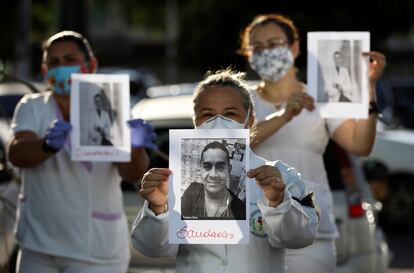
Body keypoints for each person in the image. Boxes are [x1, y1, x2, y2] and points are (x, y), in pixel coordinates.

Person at [131, 69, 319, 273]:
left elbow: (301, 237)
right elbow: (151, 247)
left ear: (250, 121)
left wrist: (278, 202)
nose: (218, 121)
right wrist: (158, 208)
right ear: (195, 122)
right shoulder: (173, 182)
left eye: (230, 113)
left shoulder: (280, 175)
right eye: (207, 114)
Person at [238, 13, 386, 272]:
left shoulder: (321, 96)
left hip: (311, 231)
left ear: (294, 47)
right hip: (254, 230)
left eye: (274, 44)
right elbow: (234, 145)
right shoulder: (241, 101)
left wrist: (369, 87)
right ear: (248, 54)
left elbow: (360, 144)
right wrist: (284, 117)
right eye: (258, 47)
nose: (266, 53)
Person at [7, 30, 156, 273]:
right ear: (45, 71)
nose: (61, 68)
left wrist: (136, 146)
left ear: (91, 65)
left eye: (69, 60)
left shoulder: (112, 107)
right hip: (38, 247)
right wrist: (47, 145)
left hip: (96, 251)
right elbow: (17, 153)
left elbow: (131, 174)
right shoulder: (32, 107)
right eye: (53, 63)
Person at [181, 141, 246, 220]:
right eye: (207, 166)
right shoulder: (193, 191)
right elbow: (177, 223)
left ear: (229, 170)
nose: (213, 175)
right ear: (201, 169)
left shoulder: (240, 209)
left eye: (220, 167)